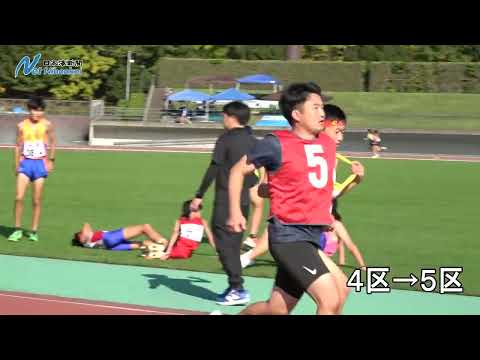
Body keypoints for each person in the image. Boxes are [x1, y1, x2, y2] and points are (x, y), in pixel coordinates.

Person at [227, 82, 349, 315]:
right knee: (330, 298)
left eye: (322, 107)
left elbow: (277, 185)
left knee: (276, 310)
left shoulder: (326, 141)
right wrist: (235, 211)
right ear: (296, 114)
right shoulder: (276, 144)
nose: (322, 113)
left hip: (311, 236)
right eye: (315, 108)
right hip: (289, 237)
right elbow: (237, 170)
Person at [190, 101, 258, 306]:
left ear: (231, 117)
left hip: (225, 199)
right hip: (243, 200)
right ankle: (233, 286)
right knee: (234, 244)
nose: (223, 120)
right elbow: (253, 172)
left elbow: (214, 168)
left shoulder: (225, 140)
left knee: (222, 244)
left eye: (224, 116)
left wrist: (199, 194)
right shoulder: (252, 140)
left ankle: (237, 287)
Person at [8, 97, 56, 242]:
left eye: (40, 110)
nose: (38, 113)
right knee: (19, 198)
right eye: (35, 110)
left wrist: (51, 160)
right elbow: (17, 145)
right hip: (25, 165)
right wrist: (17, 164)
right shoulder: (21, 126)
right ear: (29, 110)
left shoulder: (47, 125)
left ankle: (33, 231)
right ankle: (17, 230)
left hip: (40, 165)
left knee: (36, 200)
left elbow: (53, 142)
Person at [149, 199, 215, 260]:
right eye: (199, 211)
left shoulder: (180, 221)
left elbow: (175, 234)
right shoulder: (202, 221)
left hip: (181, 249)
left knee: (163, 249)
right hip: (184, 251)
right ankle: (153, 248)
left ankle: (157, 248)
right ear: (193, 211)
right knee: (160, 252)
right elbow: (210, 237)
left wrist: (169, 249)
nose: (200, 213)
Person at [72, 223, 168, 251]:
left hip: (111, 247)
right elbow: (86, 225)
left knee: (142, 245)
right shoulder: (85, 239)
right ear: (80, 238)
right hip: (109, 237)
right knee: (144, 227)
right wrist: (79, 233)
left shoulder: (87, 244)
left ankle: (159, 250)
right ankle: (163, 242)